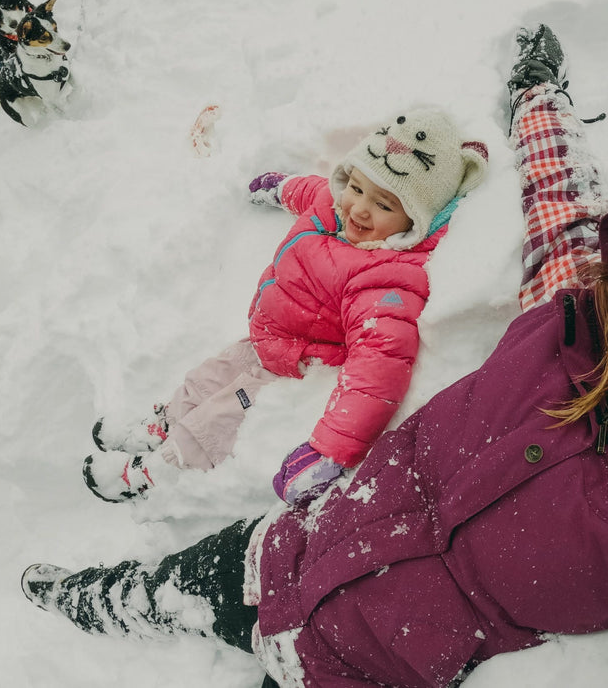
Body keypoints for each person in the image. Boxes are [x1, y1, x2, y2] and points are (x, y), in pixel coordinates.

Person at [21, 25, 608, 687]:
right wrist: (536, 91)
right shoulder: (571, 315)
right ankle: (98, 599)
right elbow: (557, 191)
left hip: (361, 670)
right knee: (169, 586)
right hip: (288, 548)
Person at [83, 110, 489, 505]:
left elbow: (378, 369)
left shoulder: (388, 278)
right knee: (207, 378)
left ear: (415, 219)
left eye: (384, 205)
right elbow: (311, 191)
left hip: (297, 363)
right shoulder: (334, 204)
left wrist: (331, 451)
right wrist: (280, 188)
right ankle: (164, 423)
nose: (359, 209)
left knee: (220, 418)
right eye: (356, 187)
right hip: (268, 336)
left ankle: (159, 472)